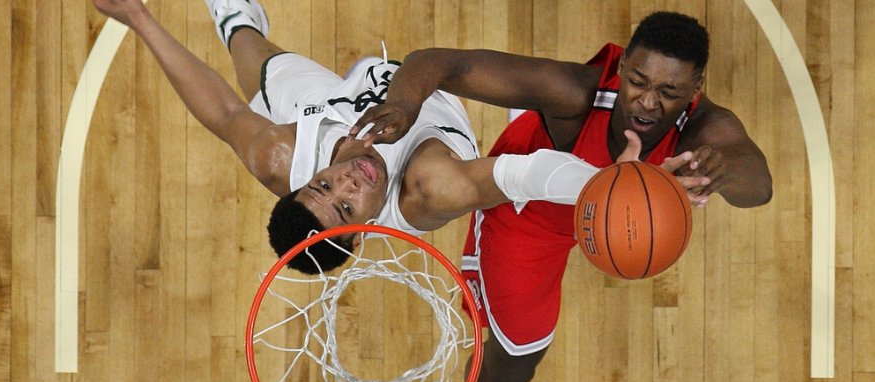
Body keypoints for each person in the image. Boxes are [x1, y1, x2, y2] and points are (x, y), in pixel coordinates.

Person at [92, 0, 704, 277]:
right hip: (421, 103)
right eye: (346, 206)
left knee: (254, 60)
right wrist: (611, 182)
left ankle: (235, 15)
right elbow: (525, 174)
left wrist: (141, 17)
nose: (346, 181)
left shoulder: (283, 158)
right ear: (363, 226)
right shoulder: (424, 191)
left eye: (322, 185)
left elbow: (220, 113)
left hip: (333, 106)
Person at [353, 11, 773, 382]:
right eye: (638, 81)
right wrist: (404, 105)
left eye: (669, 92)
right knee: (516, 362)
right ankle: (534, 120)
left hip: (603, 218)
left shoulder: (702, 124)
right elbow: (441, 61)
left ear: (695, 87)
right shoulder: (575, 92)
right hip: (526, 209)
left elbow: (759, 187)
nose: (647, 102)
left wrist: (722, 169)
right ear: (623, 64)